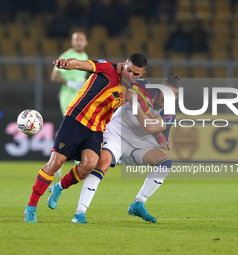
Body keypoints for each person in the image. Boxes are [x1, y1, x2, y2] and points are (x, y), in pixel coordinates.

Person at [24, 53, 148, 223]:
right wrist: (66, 63)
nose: (130, 75)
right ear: (124, 64)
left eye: (136, 74)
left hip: (96, 129)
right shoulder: (107, 68)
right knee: (56, 162)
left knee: (89, 165)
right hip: (76, 118)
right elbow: (79, 64)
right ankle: (31, 207)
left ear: (142, 75)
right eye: (129, 70)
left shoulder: (131, 91)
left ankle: (58, 189)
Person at [49, 76, 181, 223]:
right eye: (165, 90)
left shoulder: (169, 113)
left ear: (176, 97)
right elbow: (122, 79)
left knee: (165, 163)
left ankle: (138, 203)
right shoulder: (143, 87)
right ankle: (79, 213)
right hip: (115, 133)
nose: (165, 95)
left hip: (137, 144)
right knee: (101, 165)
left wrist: (161, 138)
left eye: (171, 93)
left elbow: (149, 127)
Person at [50, 31, 89, 178]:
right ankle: (55, 161)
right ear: (72, 42)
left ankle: (77, 161)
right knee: (70, 126)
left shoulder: (84, 57)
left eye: (81, 39)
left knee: (79, 127)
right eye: (76, 40)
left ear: (86, 42)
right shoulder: (65, 55)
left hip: (80, 97)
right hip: (67, 96)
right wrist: (70, 83)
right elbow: (54, 75)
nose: (79, 42)